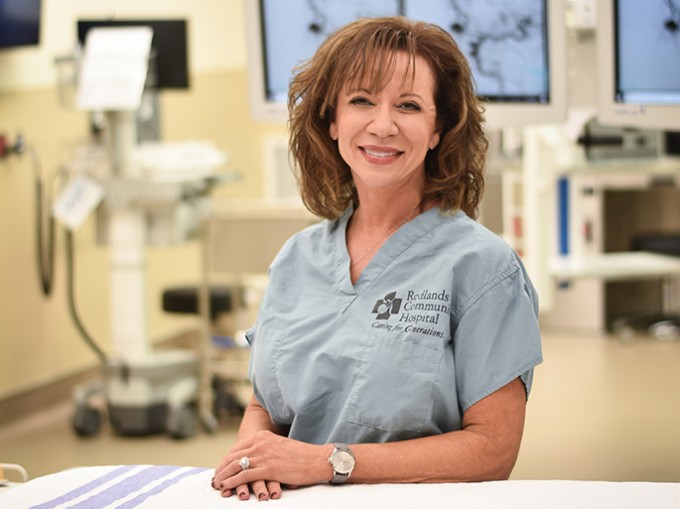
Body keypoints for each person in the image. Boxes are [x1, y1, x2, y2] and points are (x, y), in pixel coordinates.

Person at [212, 16, 542, 501]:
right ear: (332, 121)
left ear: (437, 131)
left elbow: (493, 450)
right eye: (361, 101)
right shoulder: (297, 258)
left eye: (408, 106)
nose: (382, 125)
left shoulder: (482, 268)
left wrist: (329, 463)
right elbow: (266, 405)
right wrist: (253, 460)